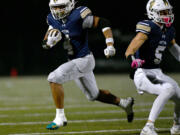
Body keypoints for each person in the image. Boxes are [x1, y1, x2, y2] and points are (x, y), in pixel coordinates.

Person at [42, 0, 134, 130]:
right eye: (55, 8)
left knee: (53, 78)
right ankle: (124, 103)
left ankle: (60, 118)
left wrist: (110, 44)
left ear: (70, 5)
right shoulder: (52, 19)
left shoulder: (78, 15)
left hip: (84, 60)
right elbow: (46, 40)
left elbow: (103, 22)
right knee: (93, 95)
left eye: (61, 7)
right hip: (73, 61)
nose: (57, 11)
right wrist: (49, 43)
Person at [125, 0, 180, 135]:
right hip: (142, 72)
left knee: (179, 95)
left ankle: (177, 125)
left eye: (168, 11)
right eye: (162, 12)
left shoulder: (169, 30)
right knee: (168, 89)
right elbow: (129, 50)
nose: (167, 15)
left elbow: (174, 49)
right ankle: (148, 127)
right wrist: (133, 61)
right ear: (152, 13)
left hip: (157, 72)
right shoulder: (148, 27)